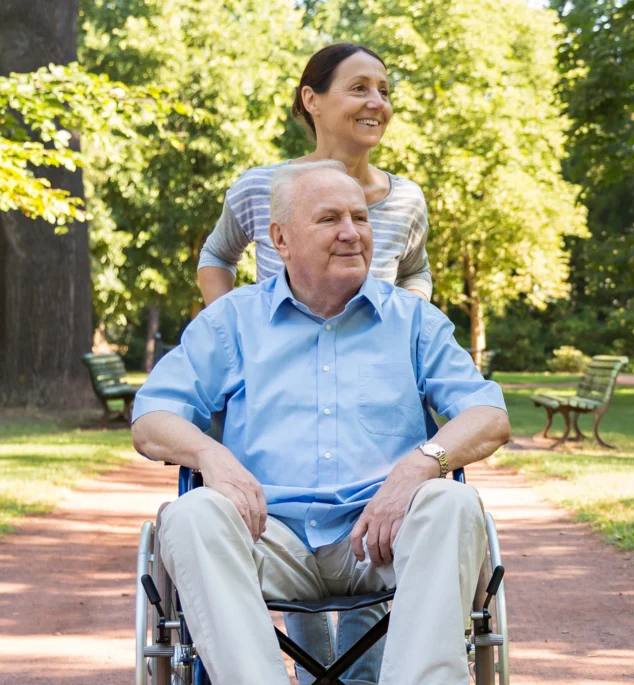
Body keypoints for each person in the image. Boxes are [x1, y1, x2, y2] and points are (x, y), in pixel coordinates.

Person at [132, 161, 510, 685]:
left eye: (360, 217)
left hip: (381, 535)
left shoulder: (413, 321)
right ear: (281, 239)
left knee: (453, 502)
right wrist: (211, 456)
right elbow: (151, 418)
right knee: (192, 514)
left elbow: (488, 415)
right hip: (266, 536)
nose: (352, 232)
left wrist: (420, 466)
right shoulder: (233, 321)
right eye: (330, 218)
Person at [195, 43, 428, 682]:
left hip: (373, 392)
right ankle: (312, 667)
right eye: (359, 88)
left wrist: (411, 332)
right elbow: (216, 255)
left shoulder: (405, 199)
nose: (377, 102)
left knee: (371, 510)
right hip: (278, 382)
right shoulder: (261, 189)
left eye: (384, 89)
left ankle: (357, 676)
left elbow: (415, 270)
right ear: (312, 100)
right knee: (293, 496)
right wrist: (227, 331)